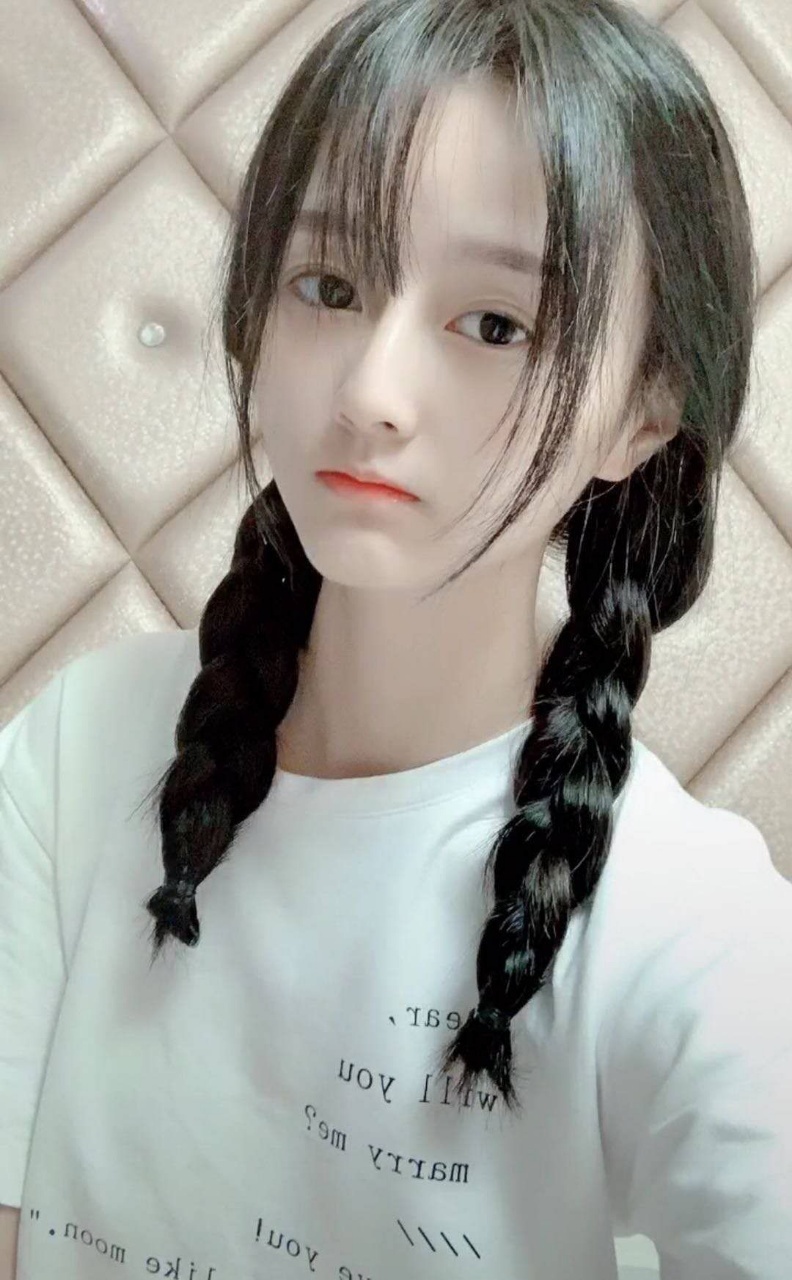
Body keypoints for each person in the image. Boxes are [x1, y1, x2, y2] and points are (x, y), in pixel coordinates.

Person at [2, 0, 791, 1277]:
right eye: (329, 286)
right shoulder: (79, 748)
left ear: (643, 413)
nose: (370, 392)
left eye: (496, 325)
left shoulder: (692, 923)